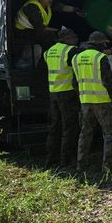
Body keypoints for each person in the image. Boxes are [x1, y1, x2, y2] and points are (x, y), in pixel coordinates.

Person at [73, 31, 112, 173]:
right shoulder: (101, 58)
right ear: (100, 44)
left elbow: (74, 82)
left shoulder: (76, 58)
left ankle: (81, 166)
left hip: (85, 101)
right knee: (109, 133)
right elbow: (107, 82)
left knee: (85, 133)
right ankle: (108, 168)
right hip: (102, 101)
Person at [43, 28, 81, 167]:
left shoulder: (48, 52)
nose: (74, 40)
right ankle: (66, 160)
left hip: (53, 93)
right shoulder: (70, 51)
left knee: (54, 126)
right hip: (67, 93)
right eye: (72, 38)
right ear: (65, 39)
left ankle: (50, 159)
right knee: (69, 127)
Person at [14, 0, 84, 48]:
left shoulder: (47, 3)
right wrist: (58, 31)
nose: (50, 0)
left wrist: (75, 10)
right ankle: (47, 56)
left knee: (58, 33)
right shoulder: (32, 7)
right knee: (49, 36)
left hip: (35, 29)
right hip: (23, 31)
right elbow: (40, 28)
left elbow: (62, 7)